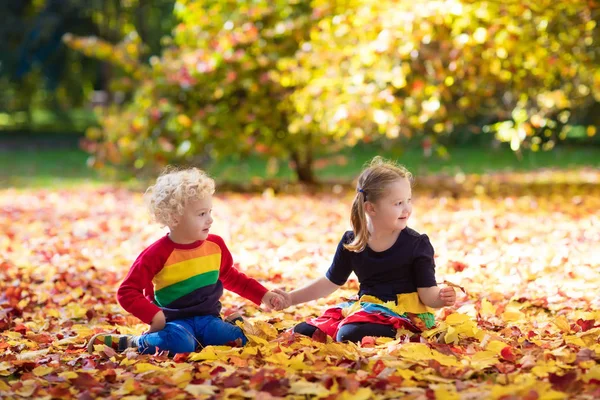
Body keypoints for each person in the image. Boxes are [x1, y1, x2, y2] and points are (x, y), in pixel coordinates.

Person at [88, 167, 284, 354]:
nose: (210, 220)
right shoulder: (157, 254)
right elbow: (127, 291)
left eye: (210, 212)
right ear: (174, 218)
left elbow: (232, 277)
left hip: (208, 319)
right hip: (174, 322)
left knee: (239, 340)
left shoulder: (215, 246)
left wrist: (264, 296)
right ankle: (131, 342)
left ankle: (232, 324)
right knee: (180, 344)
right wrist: (155, 317)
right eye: (201, 214)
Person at [274, 157, 456, 343]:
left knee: (348, 334)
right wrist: (290, 298)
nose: (407, 209)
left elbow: (428, 294)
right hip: (368, 309)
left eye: (408, 200)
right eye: (398, 203)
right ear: (371, 208)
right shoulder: (353, 241)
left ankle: (411, 337)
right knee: (303, 331)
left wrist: (441, 298)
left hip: (406, 314)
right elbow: (330, 282)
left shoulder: (417, 244)